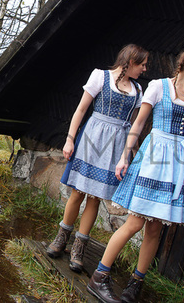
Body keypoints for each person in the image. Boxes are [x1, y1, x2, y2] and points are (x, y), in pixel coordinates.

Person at [87, 46, 184, 303]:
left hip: (181, 164)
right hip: (154, 159)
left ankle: (136, 283)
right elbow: (139, 123)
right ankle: (99, 277)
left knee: (155, 230)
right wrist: (125, 156)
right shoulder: (159, 87)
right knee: (135, 223)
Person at [47, 44, 149, 273]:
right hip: (92, 139)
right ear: (130, 61)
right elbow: (81, 110)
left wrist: (130, 153)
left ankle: (79, 247)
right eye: (141, 64)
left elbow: (134, 125)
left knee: (95, 198)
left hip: (115, 146)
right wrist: (70, 139)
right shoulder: (100, 76)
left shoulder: (138, 91)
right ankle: (62, 237)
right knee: (78, 191)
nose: (144, 68)